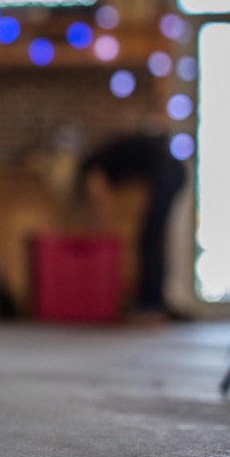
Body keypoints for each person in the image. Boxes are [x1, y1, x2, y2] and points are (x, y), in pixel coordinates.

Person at [78, 132, 187, 318]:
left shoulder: (93, 169)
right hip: (174, 170)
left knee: (148, 239)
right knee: (153, 238)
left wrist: (101, 234)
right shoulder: (112, 154)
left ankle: (151, 305)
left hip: (167, 171)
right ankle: (154, 302)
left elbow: (102, 207)